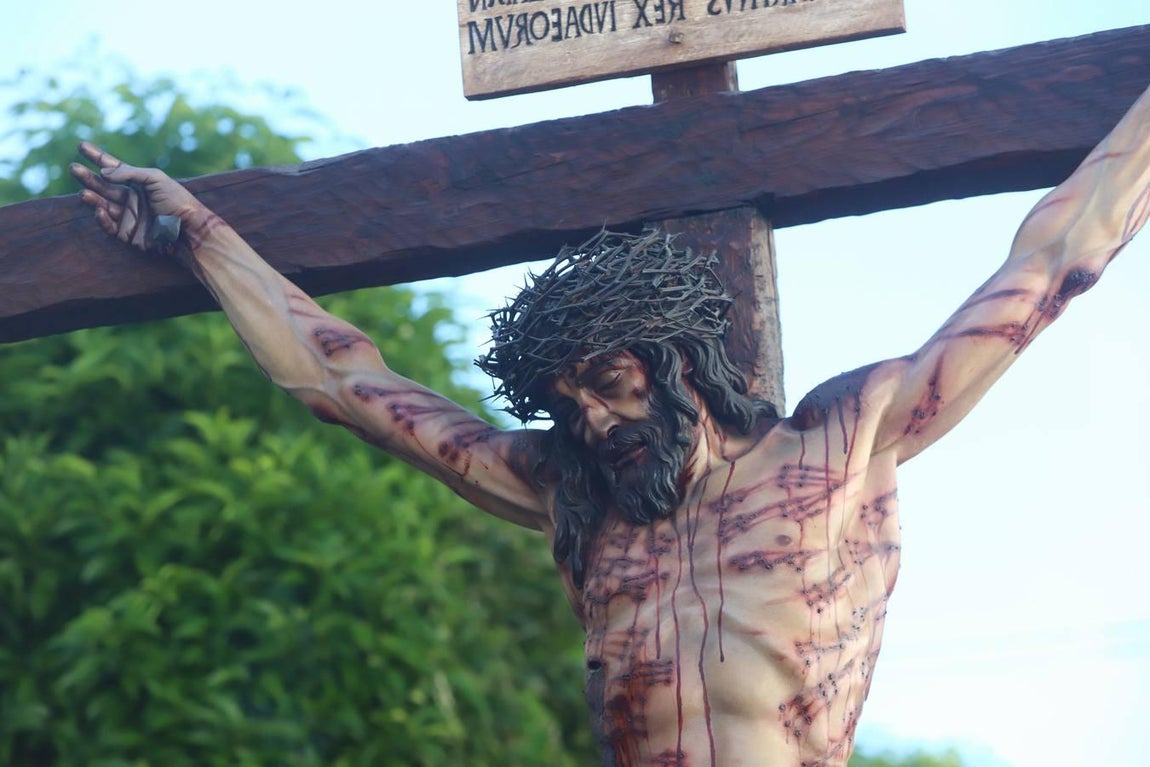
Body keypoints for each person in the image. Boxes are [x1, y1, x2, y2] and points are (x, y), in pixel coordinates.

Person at [69, 84, 1150, 767]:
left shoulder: (838, 443)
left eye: (609, 381)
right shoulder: (571, 495)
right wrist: (200, 234)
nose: (591, 420)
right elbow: (343, 381)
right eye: (565, 402)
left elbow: (1051, 263)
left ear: (674, 359)